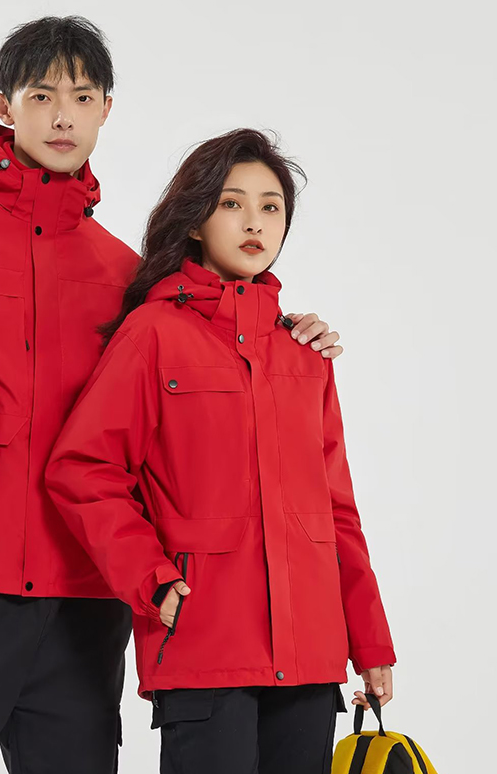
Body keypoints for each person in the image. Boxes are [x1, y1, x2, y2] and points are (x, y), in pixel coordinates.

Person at [0, 17, 343, 773]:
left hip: (88, 598)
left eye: (82, 98)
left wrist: (289, 330)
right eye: (41, 95)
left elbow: (201, 342)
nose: (62, 117)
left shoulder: (121, 269)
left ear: (106, 110)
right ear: (4, 105)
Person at [44, 128, 395, 774]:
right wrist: (151, 577)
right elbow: (83, 471)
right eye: (232, 203)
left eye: (271, 206)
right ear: (196, 220)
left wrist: (370, 640)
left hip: (312, 654)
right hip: (204, 644)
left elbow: (337, 512)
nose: (254, 222)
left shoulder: (304, 354)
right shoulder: (153, 334)